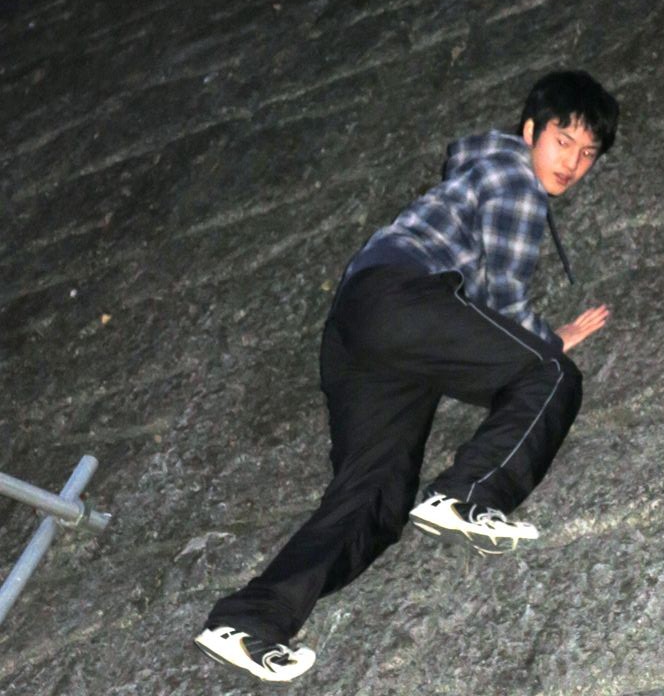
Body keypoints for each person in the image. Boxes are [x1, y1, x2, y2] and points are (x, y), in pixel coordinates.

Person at [195, 69, 619, 682]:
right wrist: (551, 342)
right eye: (563, 141)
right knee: (552, 375)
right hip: (402, 299)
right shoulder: (512, 176)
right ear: (530, 131)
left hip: (361, 328)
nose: (573, 164)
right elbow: (503, 298)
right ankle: (469, 493)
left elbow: (479, 306)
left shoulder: (475, 177)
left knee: (375, 499)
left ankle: (248, 621)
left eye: (588, 154)